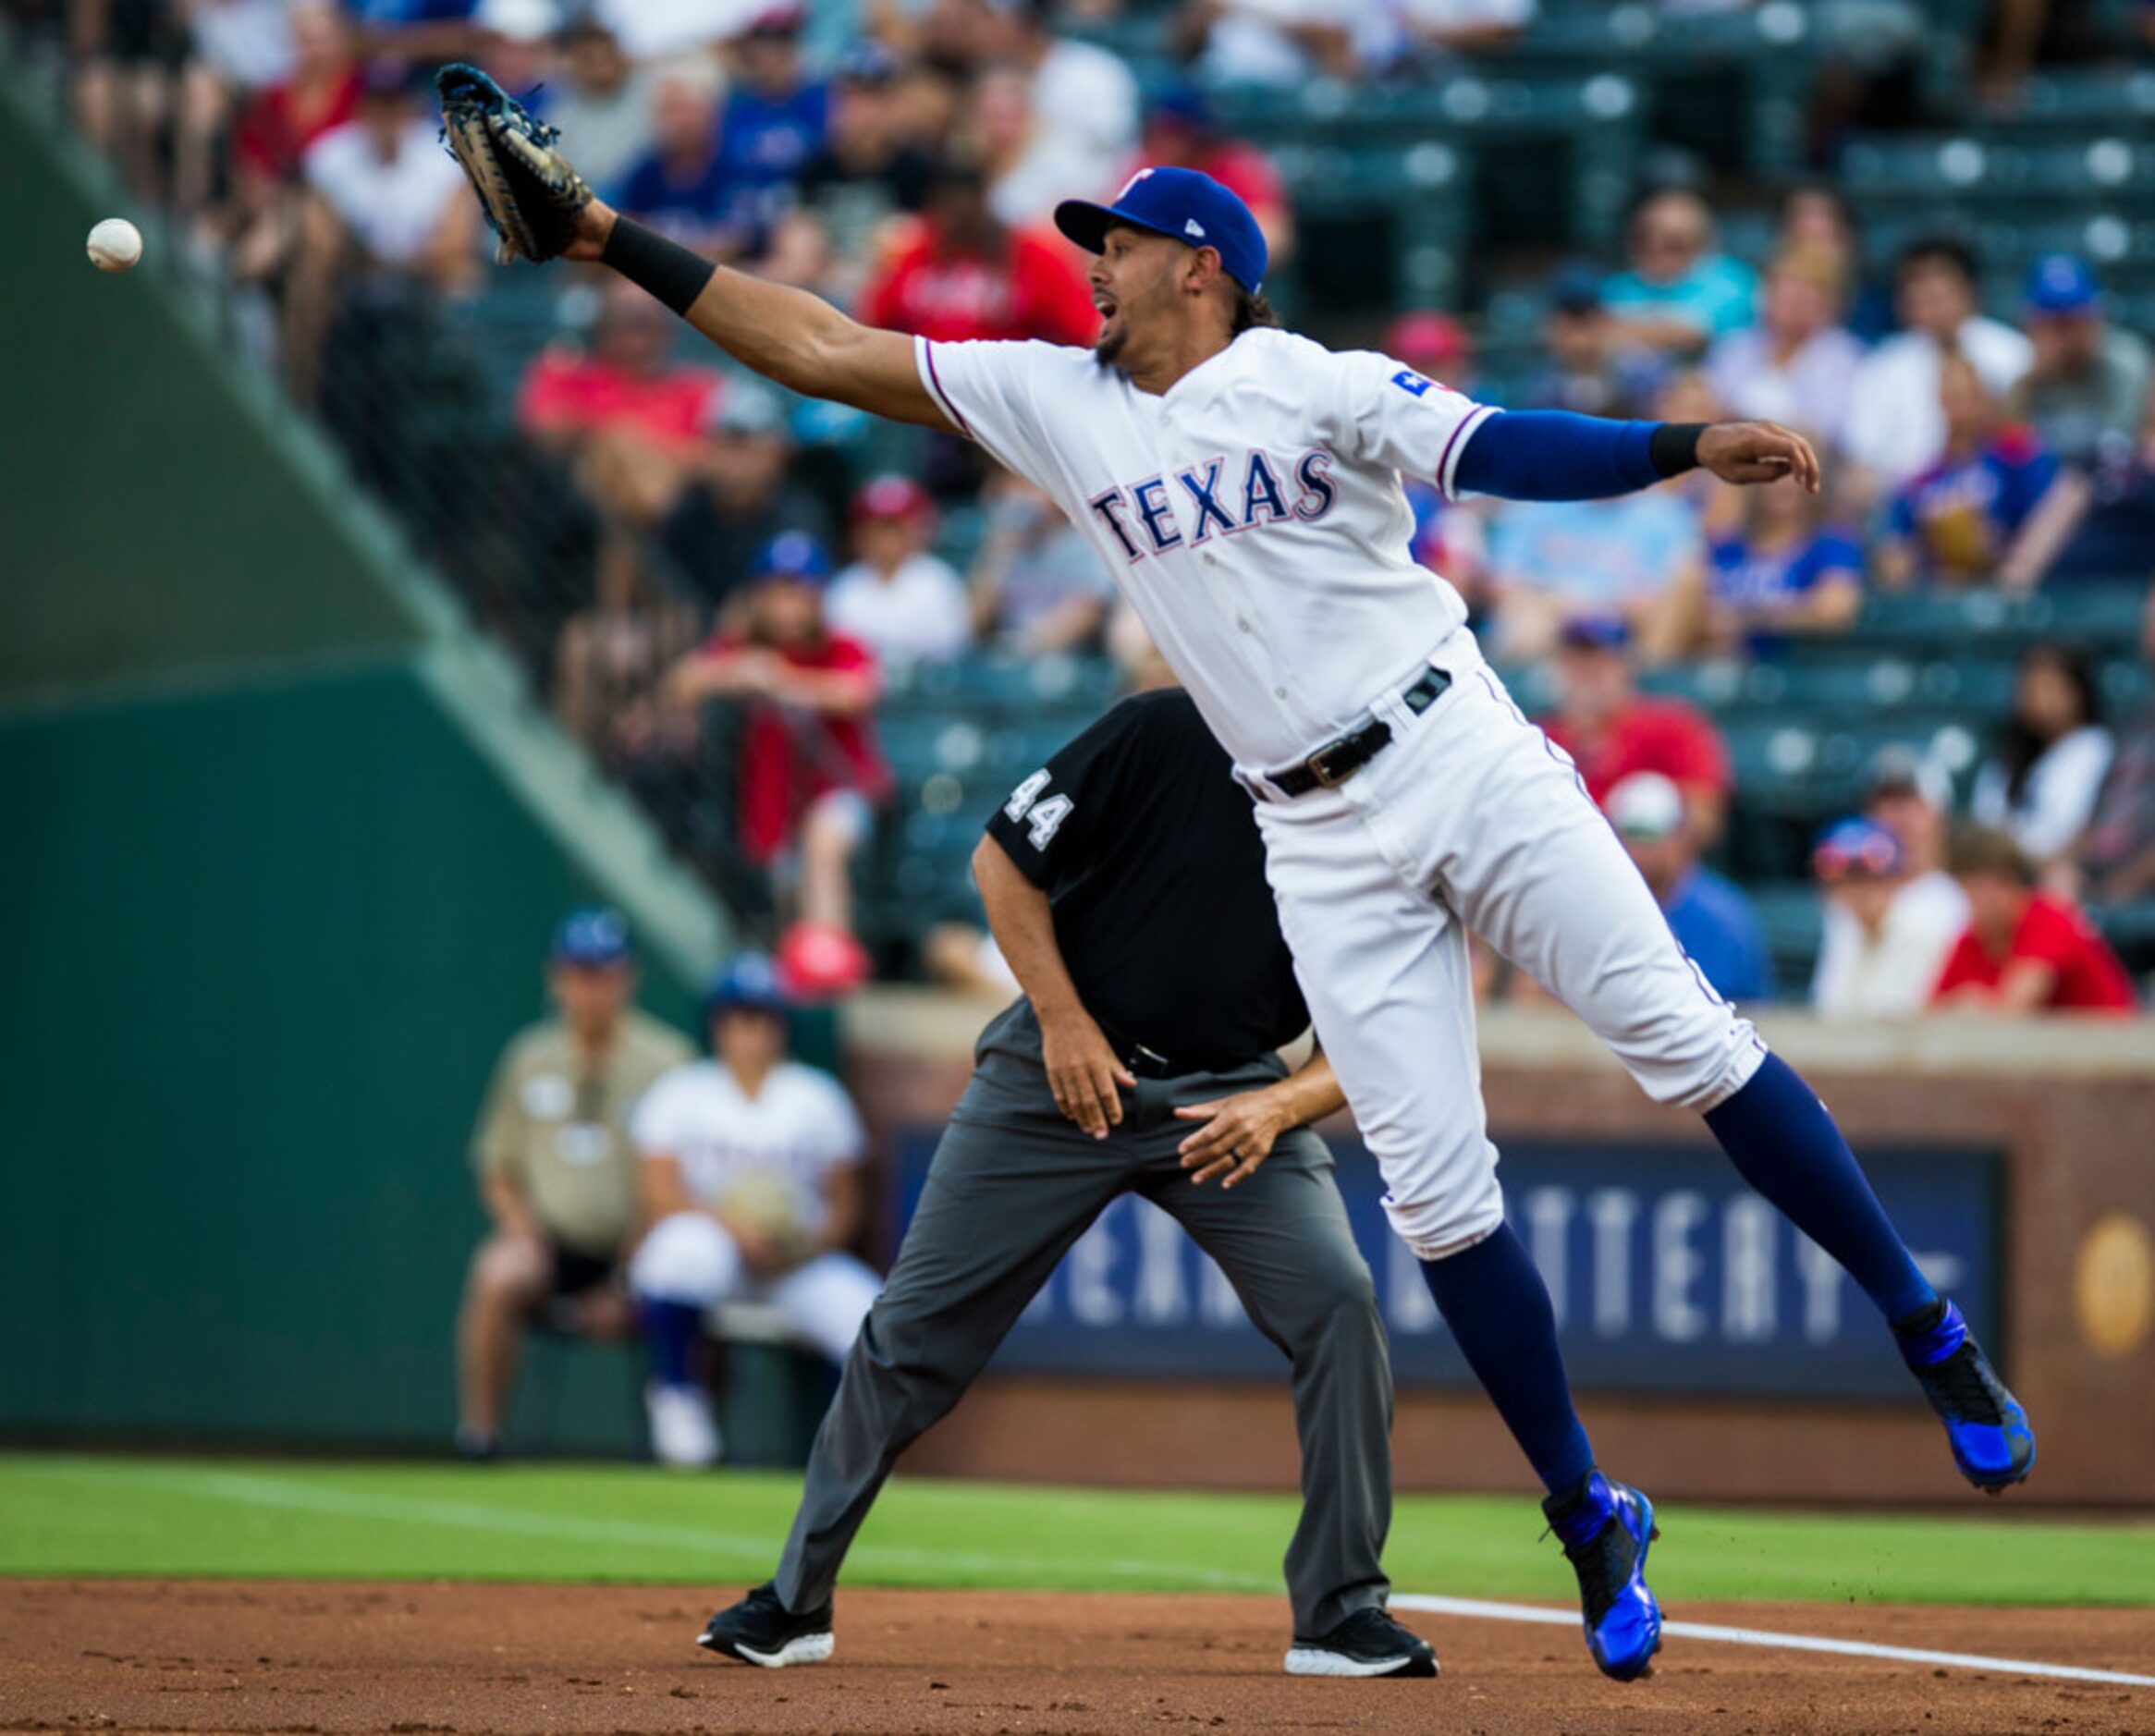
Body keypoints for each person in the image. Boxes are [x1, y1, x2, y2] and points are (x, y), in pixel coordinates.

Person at [499, 144, 2036, 1682]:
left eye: (1117, 243)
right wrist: (607, 236)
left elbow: (1502, 445)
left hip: (1455, 744)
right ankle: (1589, 1516)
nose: (1089, 264)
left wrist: (1684, 442)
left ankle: (1924, 1329)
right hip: (1309, 830)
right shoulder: (1061, 399)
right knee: (1438, 1204)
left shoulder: (1314, 380)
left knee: (1683, 1038)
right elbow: (824, 347)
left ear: (1202, 265)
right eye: (1089, 244)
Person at [700, 688, 1431, 1680]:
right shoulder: (1170, 728)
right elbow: (1001, 862)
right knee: (910, 1333)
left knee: (1340, 1304)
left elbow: (1390, 1036)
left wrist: (1281, 1108)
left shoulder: (1399, 812)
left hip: (1234, 1096)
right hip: (1056, 1069)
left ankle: (1342, 1613)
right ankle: (795, 1601)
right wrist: (1062, 1020)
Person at [457, 909, 696, 1460]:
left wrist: (630, 1268)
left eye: (606, 972)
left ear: (629, 977)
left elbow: (680, 1176)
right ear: (557, 978)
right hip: (551, 1245)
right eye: (581, 972)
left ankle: (686, 1447)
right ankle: (480, 1435)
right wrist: (524, 1231)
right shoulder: (529, 1056)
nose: (593, 988)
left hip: (641, 1245)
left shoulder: (668, 1060)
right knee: (496, 1272)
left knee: (689, 1270)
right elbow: (496, 1164)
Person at [630, 954, 882, 1466]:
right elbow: (657, 1192)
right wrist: (733, 1229)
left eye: (762, 1017)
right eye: (738, 1017)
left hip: (794, 1263)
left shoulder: (815, 1095)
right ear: (717, 1025)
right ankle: (679, 1401)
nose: (750, 1032)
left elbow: (847, 1201)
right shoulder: (683, 1091)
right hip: (717, 1248)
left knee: (870, 1313)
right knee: (679, 1253)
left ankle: (849, 1452)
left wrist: (807, 1244)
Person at [666, 532, 891, 956]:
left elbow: (860, 692)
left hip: (844, 791)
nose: (787, 607)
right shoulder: (747, 647)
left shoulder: (841, 645)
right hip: (775, 803)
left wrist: (785, 681)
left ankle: (830, 961)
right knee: (785, 899)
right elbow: (682, 683)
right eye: (776, 593)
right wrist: (736, 671)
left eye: (799, 593)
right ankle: (803, 971)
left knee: (822, 842)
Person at [516, 277, 727, 527]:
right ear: (601, 328)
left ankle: (630, 546)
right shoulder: (567, 372)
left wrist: (635, 443)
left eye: (649, 322)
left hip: (681, 502)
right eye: (629, 322)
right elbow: (543, 432)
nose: (643, 336)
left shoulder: (698, 386)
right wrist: (615, 436)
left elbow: (719, 460)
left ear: (669, 330)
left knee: (625, 459)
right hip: (579, 506)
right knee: (616, 452)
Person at [1843, 238, 2033, 497]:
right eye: (1923, 296)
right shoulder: (1881, 368)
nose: (1935, 307)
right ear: (1904, 304)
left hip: (2000, 498)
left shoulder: (2014, 354)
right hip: (1907, 503)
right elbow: (1861, 464)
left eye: (1943, 293)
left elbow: (2026, 445)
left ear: (1969, 293)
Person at [1538, 614, 1732, 844]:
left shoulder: (1672, 726)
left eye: (1600, 662)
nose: (1588, 673)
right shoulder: (1539, 738)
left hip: (1656, 869)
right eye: (1577, 662)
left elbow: (1704, 818)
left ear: (1627, 667)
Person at [1874, 354, 2061, 589]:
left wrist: (1996, 544)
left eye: (1968, 398)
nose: (1960, 410)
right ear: (1940, 402)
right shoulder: (1922, 479)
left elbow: (2046, 519)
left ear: (1985, 401)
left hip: (2013, 587)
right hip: (1942, 597)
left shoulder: (2016, 455)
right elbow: (1895, 550)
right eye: (1951, 399)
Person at [1605, 773, 1773, 1002]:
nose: (1642, 849)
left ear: (1680, 836)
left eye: (1652, 835)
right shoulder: (1600, 907)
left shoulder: (1719, 917)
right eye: (1633, 835)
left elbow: (1727, 1009)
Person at [1933, 826, 2137, 1014]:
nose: (1975, 900)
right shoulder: (1974, 937)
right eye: (1967, 889)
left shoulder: (2047, 918)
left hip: (2112, 1048)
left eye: (1981, 887)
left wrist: (1971, 1004)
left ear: (2009, 882)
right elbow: (1927, 1014)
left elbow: (2014, 1010)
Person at [1970, 643, 2114, 872]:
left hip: (2055, 876)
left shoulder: (2096, 748)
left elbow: (2082, 832)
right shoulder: (2008, 756)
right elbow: (1986, 825)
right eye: (2029, 688)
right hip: (2003, 876)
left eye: (2049, 687)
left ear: (2077, 693)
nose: (2037, 698)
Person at [1808, 815, 1962, 1019]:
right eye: (1845, 882)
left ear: (1896, 881)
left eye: (1870, 880)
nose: (1858, 892)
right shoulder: (1843, 924)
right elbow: (1827, 1007)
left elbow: (1894, 1015)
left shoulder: (1924, 924)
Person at [1706, 244, 1864, 440]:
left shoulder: (1844, 356)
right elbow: (1709, 414)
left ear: (1830, 302)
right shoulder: (1733, 346)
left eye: (1811, 286)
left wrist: (1736, 423)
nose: (1795, 294)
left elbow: (1822, 432)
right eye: (1786, 282)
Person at [2014, 254, 2152, 473]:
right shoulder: (2024, 377)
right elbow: (2016, 461)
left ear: (2095, 318)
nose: (2063, 335)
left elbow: (2119, 456)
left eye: (2071, 322)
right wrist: (2027, 384)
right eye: (2053, 323)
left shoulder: (2125, 364)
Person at [823, 474, 972, 669]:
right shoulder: (845, 586)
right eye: (877, 527)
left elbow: (953, 652)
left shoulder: (938, 580)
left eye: (894, 527)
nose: (886, 537)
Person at [1703, 472, 1864, 653]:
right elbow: (1700, 613)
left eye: (1794, 473)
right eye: (1773, 472)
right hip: (1717, 661)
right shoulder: (1726, 548)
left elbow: (1833, 611)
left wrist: (1744, 619)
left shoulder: (1832, 544)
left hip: (1795, 666)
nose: (1783, 484)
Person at [1600, 188, 1759, 360]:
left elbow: (1688, 335)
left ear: (1702, 243)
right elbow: (1583, 334)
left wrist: (1615, 331)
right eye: (1644, 239)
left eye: (1673, 244)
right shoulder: (1618, 285)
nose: (1656, 249)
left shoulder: (1731, 280)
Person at [2076, 588, 2155, 903]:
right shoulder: (2137, 716)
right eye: (2149, 607)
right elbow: (2100, 810)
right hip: (2106, 882)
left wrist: (2119, 888)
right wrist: (2066, 868)